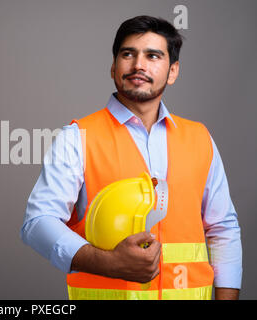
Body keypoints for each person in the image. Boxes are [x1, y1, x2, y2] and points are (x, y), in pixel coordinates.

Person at [20, 15, 242, 300]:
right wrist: (108, 263)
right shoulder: (77, 137)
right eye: (128, 54)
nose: (139, 65)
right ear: (114, 67)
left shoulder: (200, 138)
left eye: (153, 56)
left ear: (172, 71)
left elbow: (223, 228)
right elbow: (38, 222)